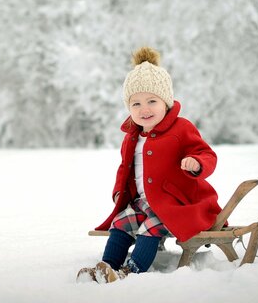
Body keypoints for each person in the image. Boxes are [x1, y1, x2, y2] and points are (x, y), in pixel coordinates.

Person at [77, 46, 221, 284]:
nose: (144, 109)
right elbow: (125, 168)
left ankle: (132, 271)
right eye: (136, 104)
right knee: (121, 223)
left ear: (166, 102)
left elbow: (206, 154)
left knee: (150, 227)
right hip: (143, 202)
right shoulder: (131, 137)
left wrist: (196, 163)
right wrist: (118, 192)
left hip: (174, 204)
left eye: (152, 101)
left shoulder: (181, 128)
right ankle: (107, 267)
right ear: (129, 107)